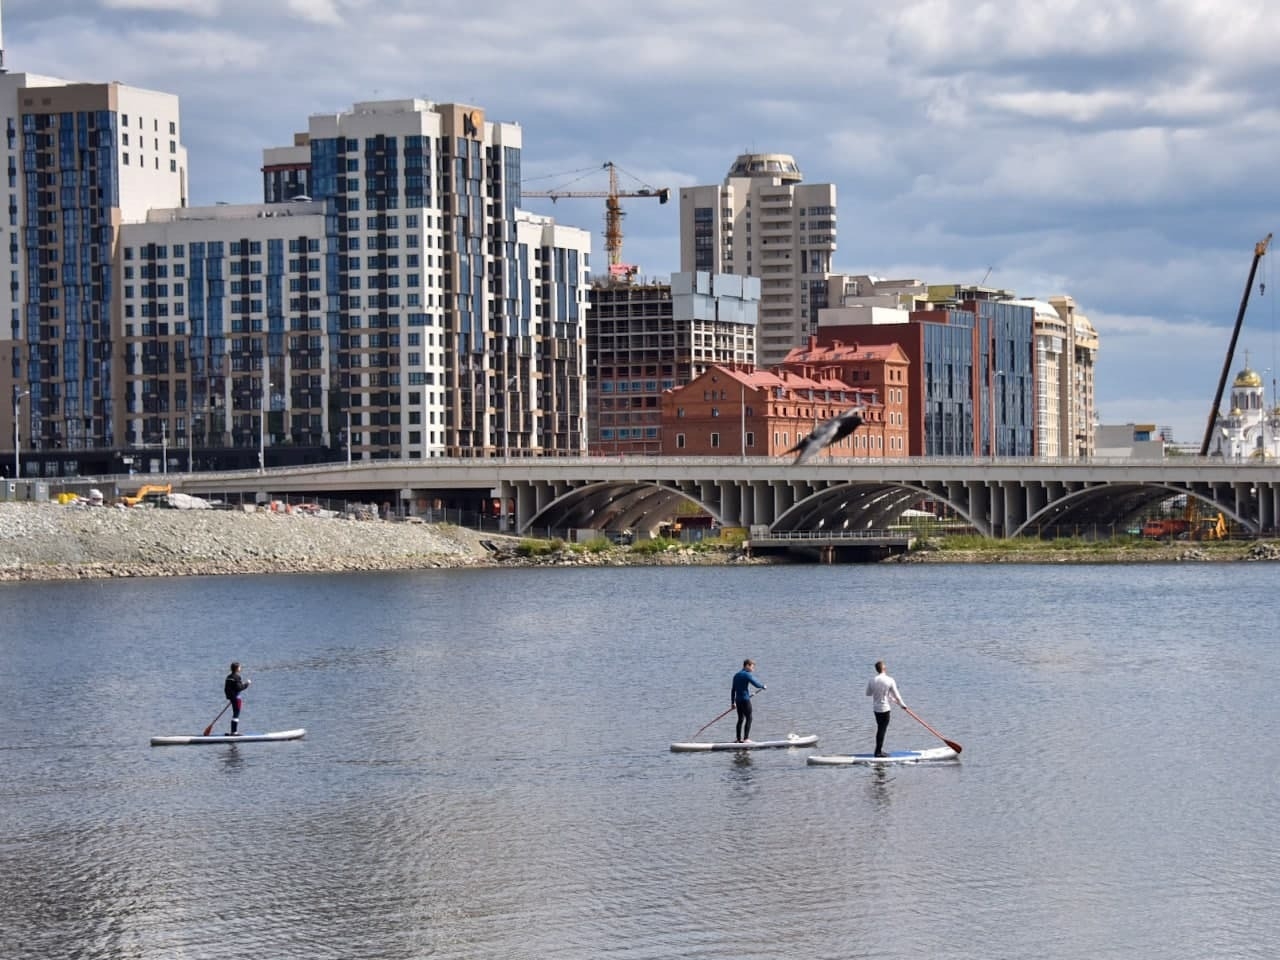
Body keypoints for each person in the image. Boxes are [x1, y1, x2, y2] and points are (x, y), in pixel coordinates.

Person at [865, 660, 905, 757]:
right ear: (883, 669)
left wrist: (886, 695)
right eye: (885, 667)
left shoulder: (872, 680)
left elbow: (868, 694)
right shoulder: (890, 680)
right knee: (882, 729)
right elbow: (897, 695)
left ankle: (878, 750)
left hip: (876, 709)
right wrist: (903, 705)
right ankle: (878, 752)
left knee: (880, 728)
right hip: (885, 709)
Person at [730, 658, 765, 743]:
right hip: (745, 700)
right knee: (749, 718)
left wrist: (732, 703)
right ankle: (746, 739)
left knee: (740, 719)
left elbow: (733, 690)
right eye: (752, 667)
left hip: (738, 701)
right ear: (747, 666)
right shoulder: (747, 675)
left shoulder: (736, 675)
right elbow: (756, 684)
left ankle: (738, 739)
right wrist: (763, 686)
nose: (753, 669)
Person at [224, 661, 252, 736]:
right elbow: (239, 688)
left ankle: (233, 731)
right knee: (236, 714)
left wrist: (230, 697)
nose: (240, 668)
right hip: (237, 698)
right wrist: (247, 683)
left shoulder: (228, 677)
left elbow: (226, 689)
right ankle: (234, 732)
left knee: (235, 714)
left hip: (232, 698)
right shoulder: (237, 677)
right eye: (239, 667)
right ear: (236, 669)